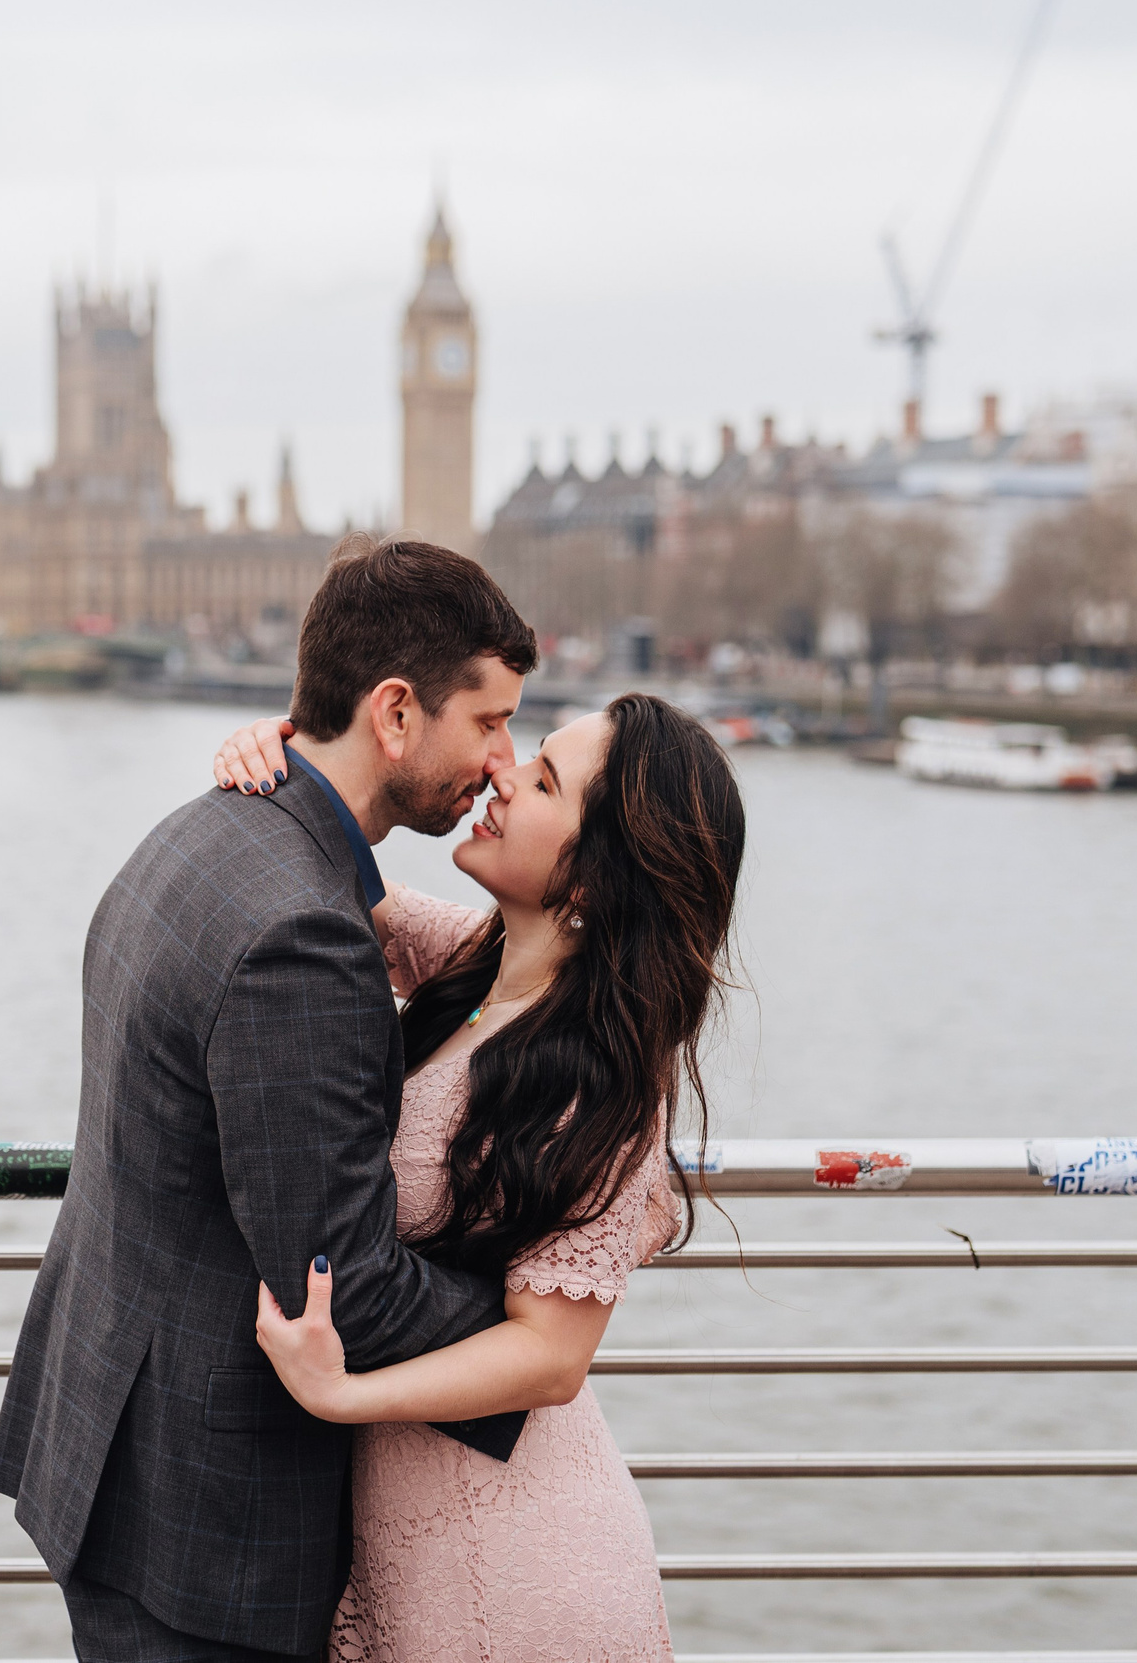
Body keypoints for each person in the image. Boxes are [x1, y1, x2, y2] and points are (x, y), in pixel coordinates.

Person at [0, 535, 543, 1662]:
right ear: (395, 712)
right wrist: (539, 1346)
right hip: (211, 1530)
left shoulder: (200, 835)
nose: (499, 759)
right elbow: (334, 1288)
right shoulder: (302, 936)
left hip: (118, 1453)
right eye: (486, 722)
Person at [210, 689, 746, 1662]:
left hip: (515, 1561)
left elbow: (552, 1355)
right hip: (405, 1534)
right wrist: (276, 756)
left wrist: (339, 1396)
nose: (501, 776)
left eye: (542, 781)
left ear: (593, 877)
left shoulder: (600, 1078)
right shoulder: (471, 961)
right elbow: (332, 884)